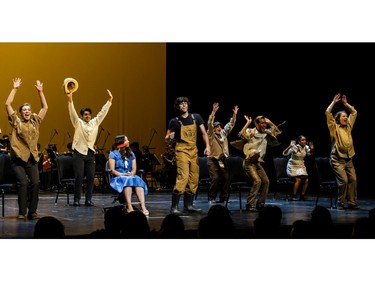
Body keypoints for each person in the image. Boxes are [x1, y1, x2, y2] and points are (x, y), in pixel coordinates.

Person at [5, 78, 48, 220]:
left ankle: (32, 211)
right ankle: (22, 212)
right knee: (23, 183)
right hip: (18, 159)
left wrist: (40, 92)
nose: (27, 111)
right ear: (21, 112)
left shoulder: (35, 121)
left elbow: (45, 108)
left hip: (32, 158)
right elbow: (7, 104)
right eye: (24, 110)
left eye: (29, 109)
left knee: (35, 183)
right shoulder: (16, 122)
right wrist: (15, 88)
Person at [66, 85, 113, 206]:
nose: (88, 116)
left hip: (90, 153)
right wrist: (70, 100)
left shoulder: (95, 122)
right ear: (82, 115)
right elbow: (72, 112)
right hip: (79, 152)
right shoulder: (78, 122)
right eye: (85, 114)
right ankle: (76, 199)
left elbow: (102, 113)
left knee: (91, 177)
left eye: (89, 114)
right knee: (79, 177)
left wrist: (109, 101)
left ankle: (88, 199)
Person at [165, 96, 210, 215]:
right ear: (178, 106)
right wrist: (170, 138)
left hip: (193, 151)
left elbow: (204, 133)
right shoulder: (174, 121)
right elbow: (167, 138)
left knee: (194, 178)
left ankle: (188, 206)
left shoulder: (196, 117)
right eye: (181, 104)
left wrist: (208, 146)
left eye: (185, 103)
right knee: (183, 177)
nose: (184, 105)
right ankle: (174, 207)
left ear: (188, 105)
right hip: (181, 150)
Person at [239, 115, 281, 212]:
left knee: (266, 182)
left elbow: (277, 131)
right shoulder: (252, 131)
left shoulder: (266, 133)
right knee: (257, 181)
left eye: (264, 123)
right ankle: (250, 204)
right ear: (256, 124)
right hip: (249, 162)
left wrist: (270, 122)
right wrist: (248, 123)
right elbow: (242, 134)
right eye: (262, 123)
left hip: (257, 163)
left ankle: (260, 203)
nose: (264, 125)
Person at [326, 93, 359, 210]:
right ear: (338, 118)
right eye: (343, 116)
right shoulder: (334, 127)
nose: (346, 118)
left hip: (349, 158)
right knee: (344, 181)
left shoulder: (348, 126)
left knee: (353, 179)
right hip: (337, 159)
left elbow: (354, 112)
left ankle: (352, 202)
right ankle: (340, 203)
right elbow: (327, 113)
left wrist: (346, 104)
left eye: (346, 116)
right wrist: (334, 102)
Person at [108, 135, 149, 216]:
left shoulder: (131, 154)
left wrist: (131, 173)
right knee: (127, 181)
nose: (128, 141)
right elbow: (112, 170)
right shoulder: (113, 154)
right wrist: (123, 174)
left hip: (129, 175)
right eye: (126, 140)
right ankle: (129, 206)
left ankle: (143, 206)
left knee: (138, 180)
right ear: (121, 142)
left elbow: (134, 169)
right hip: (118, 177)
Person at [207, 103, 238, 204]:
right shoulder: (211, 135)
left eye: (220, 126)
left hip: (223, 160)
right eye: (217, 127)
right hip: (212, 159)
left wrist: (234, 115)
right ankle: (211, 197)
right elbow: (209, 125)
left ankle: (223, 198)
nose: (219, 128)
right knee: (215, 178)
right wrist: (213, 112)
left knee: (226, 178)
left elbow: (231, 125)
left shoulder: (223, 135)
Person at [282, 135, 314, 201]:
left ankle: (302, 195)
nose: (304, 141)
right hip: (292, 166)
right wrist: (290, 146)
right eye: (303, 140)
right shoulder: (295, 147)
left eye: (305, 140)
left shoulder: (306, 147)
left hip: (301, 165)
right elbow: (284, 153)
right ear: (299, 141)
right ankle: (294, 195)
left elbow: (309, 154)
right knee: (298, 180)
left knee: (306, 180)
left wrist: (312, 149)